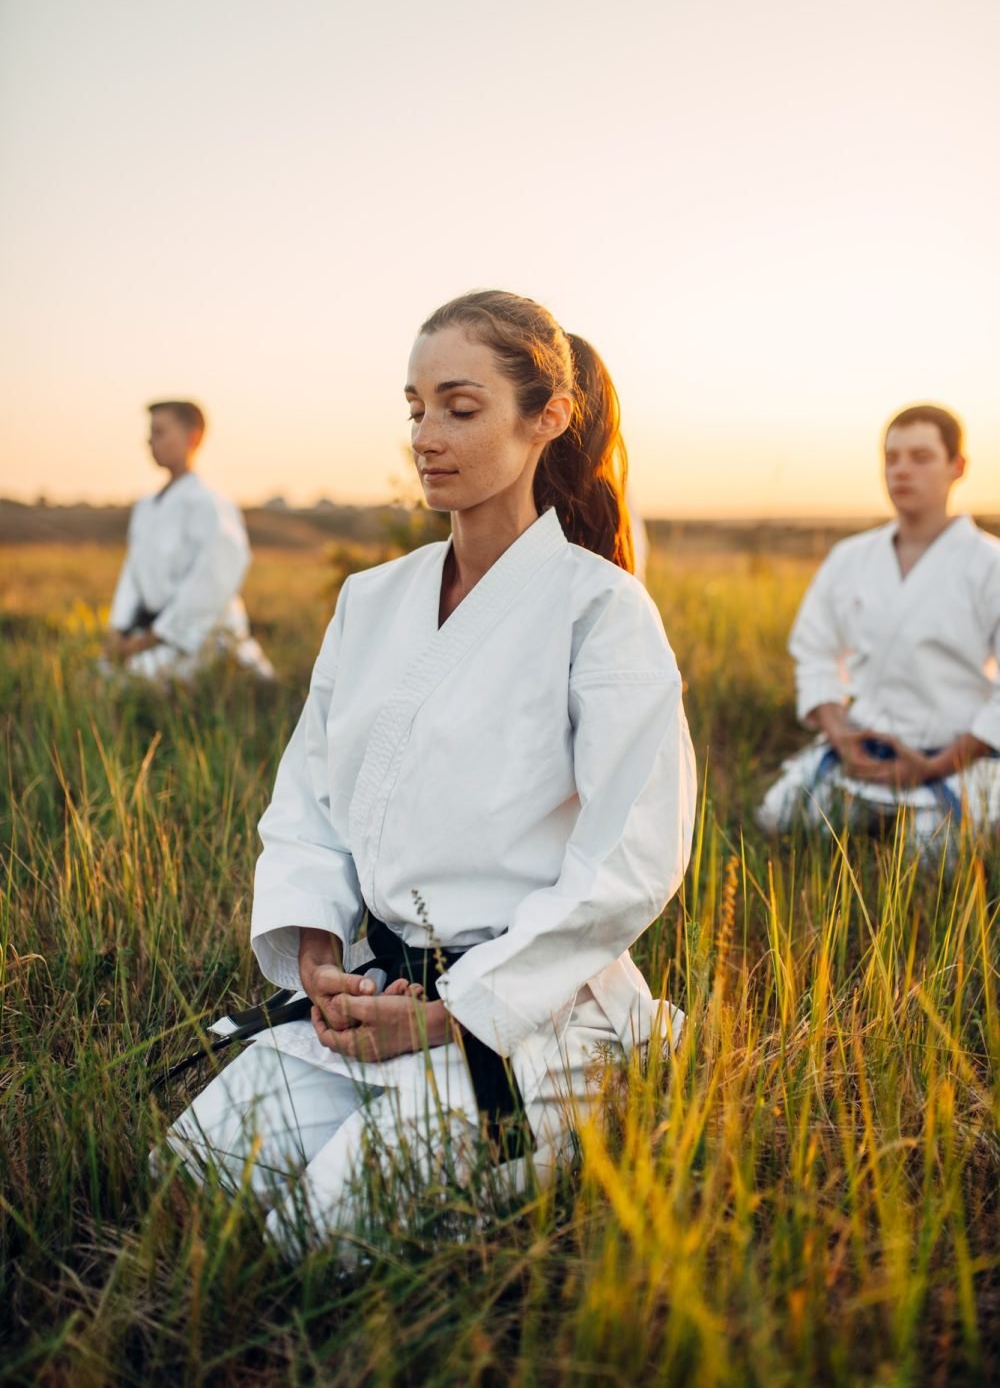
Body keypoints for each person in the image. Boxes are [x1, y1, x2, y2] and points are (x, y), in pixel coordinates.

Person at [156, 291, 696, 1255]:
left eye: (461, 407)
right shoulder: (370, 600)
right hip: (380, 989)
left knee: (325, 1237)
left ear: (547, 417)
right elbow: (309, 800)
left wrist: (456, 1012)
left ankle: (609, 1077)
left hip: (527, 1009)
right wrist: (319, 951)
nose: (426, 436)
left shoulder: (602, 610)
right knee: (193, 1176)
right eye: (415, 408)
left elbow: (630, 858)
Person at [757, 404, 1000, 852]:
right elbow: (814, 649)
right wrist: (840, 736)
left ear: (958, 466)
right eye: (891, 458)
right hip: (860, 753)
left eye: (921, 457)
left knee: (930, 858)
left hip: (955, 758)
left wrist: (935, 765)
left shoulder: (990, 563)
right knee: (779, 816)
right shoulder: (851, 557)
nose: (901, 470)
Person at [103, 400, 274, 683]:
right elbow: (132, 575)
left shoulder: (209, 504)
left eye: (159, 432)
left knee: (133, 682)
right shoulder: (146, 506)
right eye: (150, 433)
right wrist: (119, 630)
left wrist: (153, 638)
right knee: (101, 676)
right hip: (147, 631)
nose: (149, 441)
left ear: (192, 437)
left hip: (199, 636)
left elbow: (212, 581)